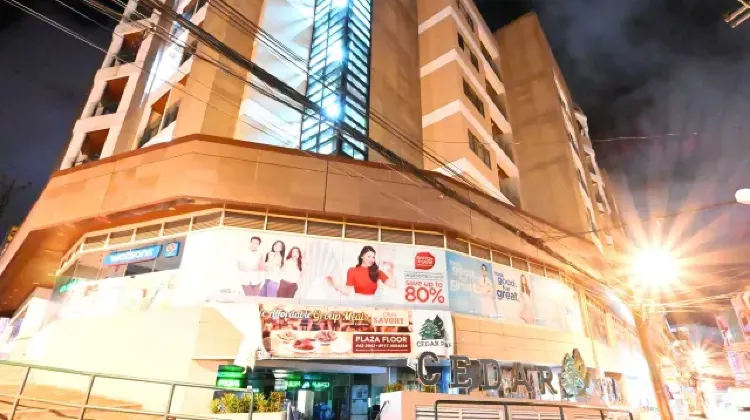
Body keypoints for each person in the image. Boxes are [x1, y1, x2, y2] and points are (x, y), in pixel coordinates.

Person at [328, 246, 395, 296]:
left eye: (373, 257)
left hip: (373, 304)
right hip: (357, 304)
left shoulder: (377, 272)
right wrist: (334, 285)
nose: (371, 259)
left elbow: (392, 284)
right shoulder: (352, 271)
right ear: (362, 257)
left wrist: (391, 270)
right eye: (369, 256)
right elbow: (347, 291)